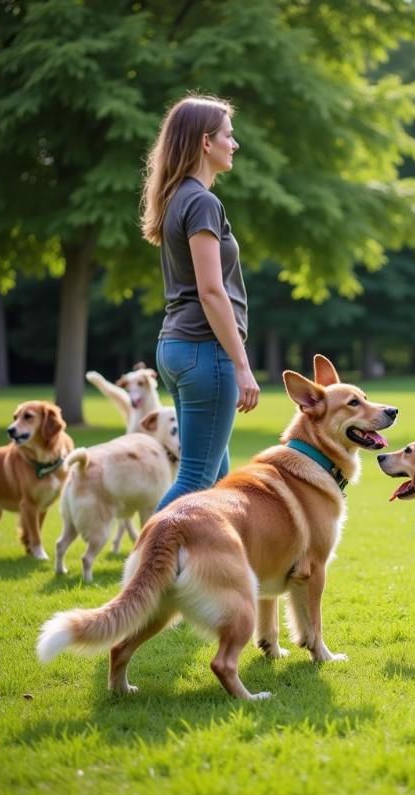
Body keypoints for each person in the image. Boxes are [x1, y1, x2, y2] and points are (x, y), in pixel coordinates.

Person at [141, 93, 259, 510]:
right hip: (203, 352)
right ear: (205, 143)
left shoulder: (178, 198)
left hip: (176, 349)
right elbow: (212, 291)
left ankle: (215, 574)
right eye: (229, 135)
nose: (235, 143)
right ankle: (145, 570)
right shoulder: (202, 202)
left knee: (220, 483)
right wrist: (242, 365)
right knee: (196, 479)